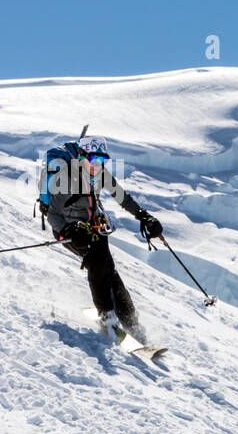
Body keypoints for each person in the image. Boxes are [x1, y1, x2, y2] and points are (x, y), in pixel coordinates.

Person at [40, 133, 162, 343]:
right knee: (97, 265)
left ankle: (131, 322)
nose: (99, 165)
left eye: (103, 160)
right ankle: (107, 315)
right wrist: (69, 231)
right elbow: (52, 214)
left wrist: (144, 217)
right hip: (70, 231)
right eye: (95, 160)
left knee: (111, 272)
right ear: (82, 157)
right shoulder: (66, 178)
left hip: (94, 226)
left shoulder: (99, 175)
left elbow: (122, 198)